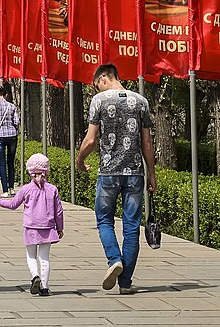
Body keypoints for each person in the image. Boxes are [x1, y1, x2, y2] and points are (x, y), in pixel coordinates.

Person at [76, 63, 155, 295]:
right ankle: (126, 283)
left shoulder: (99, 102)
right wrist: (151, 173)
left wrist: (80, 160)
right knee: (131, 228)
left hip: (109, 172)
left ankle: (114, 259)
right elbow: (147, 143)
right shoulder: (141, 102)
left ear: (103, 79)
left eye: (96, 87)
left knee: (104, 220)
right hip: (134, 175)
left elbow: (91, 139)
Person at [0, 153, 64, 296]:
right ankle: (44, 288)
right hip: (48, 227)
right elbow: (59, 211)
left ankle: (35, 276)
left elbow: (13, 204)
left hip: (31, 227)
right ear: (46, 171)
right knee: (44, 258)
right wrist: (60, 227)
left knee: (31, 256)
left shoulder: (26, 189)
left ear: (30, 172)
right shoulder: (52, 189)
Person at [0, 84, 21, 193]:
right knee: (10, 162)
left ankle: (5, 190)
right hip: (12, 135)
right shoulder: (12, 106)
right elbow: (16, 121)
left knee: (1, 163)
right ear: (6, 95)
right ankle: (12, 187)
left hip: (0, 136)